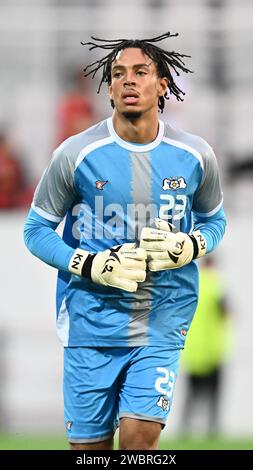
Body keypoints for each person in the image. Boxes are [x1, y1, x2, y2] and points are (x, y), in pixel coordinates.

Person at [23, 32, 226, 450]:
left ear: (162, 84)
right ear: (109, 88)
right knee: (90, 452)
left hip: (162, 320)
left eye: (140, 72)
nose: (128, 81)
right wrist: (90, 264)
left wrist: (191, 246)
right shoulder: (75, 154)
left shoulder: (195, 155)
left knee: (138, 441)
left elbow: (214, 221)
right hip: (91, 324)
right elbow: (36, 231)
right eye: (118, 74)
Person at [180, 256, 232, 436]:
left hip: (194, 352)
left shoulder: (194, 284)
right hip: (212, 352)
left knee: (191, 397)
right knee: (213, 398)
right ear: (214, 265)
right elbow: (226, 313)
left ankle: (185, 431)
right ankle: (212, 432)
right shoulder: (217, 285)